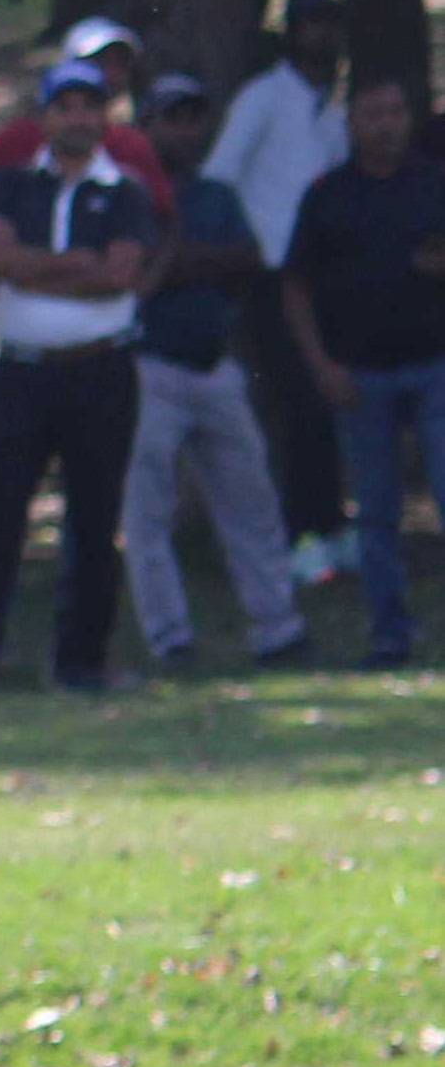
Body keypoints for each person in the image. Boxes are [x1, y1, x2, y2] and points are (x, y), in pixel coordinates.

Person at [0, 59, 157, 699]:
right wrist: (76, 264)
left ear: (104, 116)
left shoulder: (125, 191)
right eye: (64, 106)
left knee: (95, 520)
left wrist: (34, 267)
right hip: (21, 372)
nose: (77, 118)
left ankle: (82, 662)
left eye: (89, 106)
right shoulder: (11, 186)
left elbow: (119, 273)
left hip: (100, 370)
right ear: (44, 117)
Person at [119, 73, 310, 669]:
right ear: (145, 126)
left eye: (193, 118)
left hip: (214, 366)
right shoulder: (127, 195)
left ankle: (277, 629)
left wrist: (184, 261)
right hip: (149, 365)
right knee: (148, 512)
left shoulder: (215, 195)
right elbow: (139, 272)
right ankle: (170, 638)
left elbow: (247, 259)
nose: (185, 130)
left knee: (251, 501)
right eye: (172, 118)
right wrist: (197, 263)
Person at [284, 70, 445, 669]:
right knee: (376, 514)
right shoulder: (327, 196)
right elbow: (294, 286)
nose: (386, 126)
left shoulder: (435, 185)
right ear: (351, 124)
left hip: (435, 368)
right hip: (360, 376)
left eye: (395, 113)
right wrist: (321, 365)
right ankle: (389, 635)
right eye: (373, 115)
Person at [202, 0, 353, 583]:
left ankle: (331, 528)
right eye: (311, 24)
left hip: (328, 281)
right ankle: (298, 535)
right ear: (290, 33)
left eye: (330, 24)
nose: (322, 35)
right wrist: (245, 249)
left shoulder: (333, 114)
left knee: (329, 405)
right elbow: (219, 178)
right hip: (270, 279)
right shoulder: (263, 99)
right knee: (298, 408)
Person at [0, 17, 174, 291]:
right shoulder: (21, 137)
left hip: (108, 309)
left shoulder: (131, 145)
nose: (110, 74)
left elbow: (167, 219)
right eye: (98, 62)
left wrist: (146, 286)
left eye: (120, 64)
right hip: (24, 307)